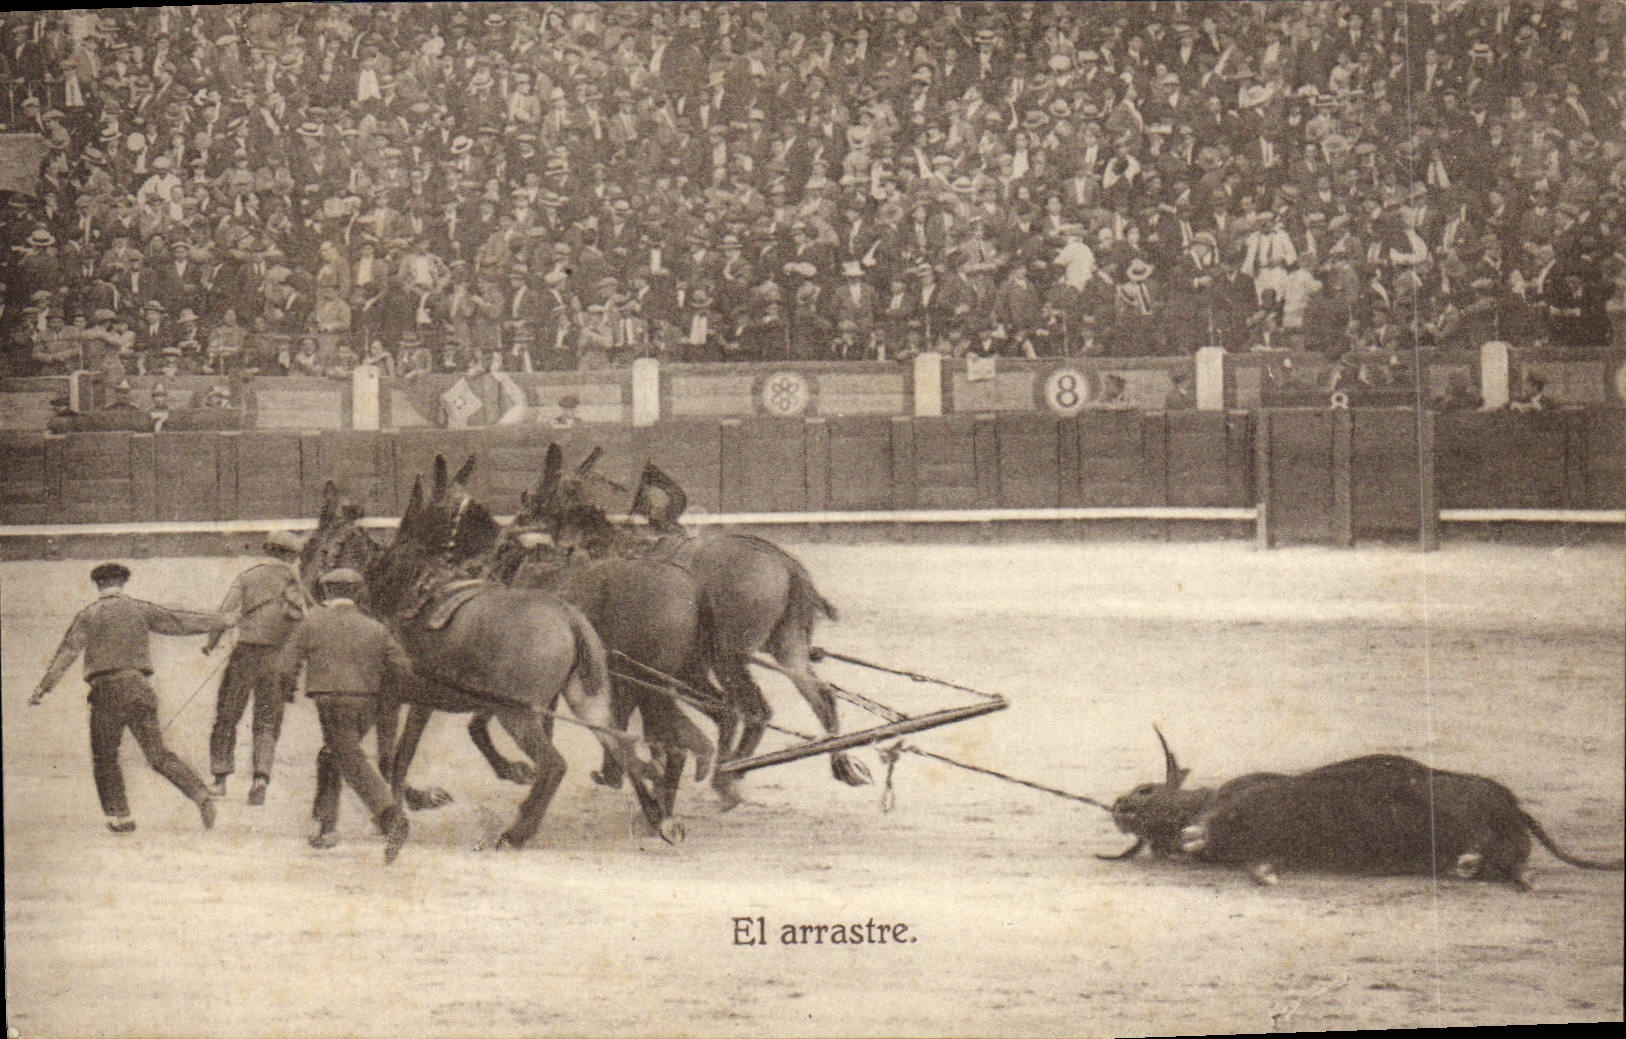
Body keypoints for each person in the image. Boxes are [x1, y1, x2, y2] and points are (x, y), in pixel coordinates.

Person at [29, 563, 238, 834]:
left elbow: (67, 652)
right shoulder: (140, 609)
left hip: (105, 692)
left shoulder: (88, 614)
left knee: (105, 757)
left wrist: (43, 688)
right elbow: (179, 621)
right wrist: (224, 620)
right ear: (122, 583)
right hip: (139, 688)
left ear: (98, 585)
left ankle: (121, 817)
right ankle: (200, 795)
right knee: (158, 754)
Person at [275, 569, 412, 864]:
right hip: (368, 702)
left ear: (326, 592)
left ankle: (390, 816)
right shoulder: (376, 628)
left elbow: (286, 666)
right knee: (332, 755)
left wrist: (287, 689)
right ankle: (326, 826)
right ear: (358, 593)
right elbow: (401, 667)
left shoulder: (312, 622)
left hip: (331, 701)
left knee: (348, 757)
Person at [204, 531, 314, 804]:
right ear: (291, 556)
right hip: (279, 659)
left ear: (268, 550)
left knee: (227, 715)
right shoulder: (296, 584)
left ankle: (219, 779)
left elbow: (224, 613)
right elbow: (310, 620)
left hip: (246, 655)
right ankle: (260, 779)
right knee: (267, 720)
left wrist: (211, 643)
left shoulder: (247, 577)